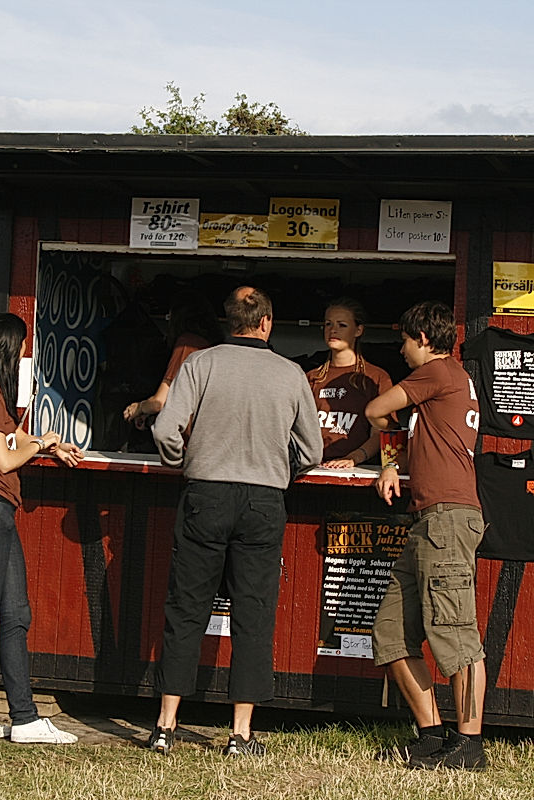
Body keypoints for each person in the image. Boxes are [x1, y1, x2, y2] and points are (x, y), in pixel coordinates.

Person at [147, 286, 323, 757]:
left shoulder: (201, 364)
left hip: (205, 493)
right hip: (263, 500)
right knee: (253, 614)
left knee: (186, 609)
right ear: (267, 324)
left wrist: (182, 460)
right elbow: (313, 450)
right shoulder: (290, 375)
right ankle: (240, 733)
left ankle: (165, 725)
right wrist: (281, 470)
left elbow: (164, 427)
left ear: (229, 323)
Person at [0, 312, 85, 744]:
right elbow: (5, 459)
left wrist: (47, 443)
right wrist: (39, 444)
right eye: (22, 345)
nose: (25, 352)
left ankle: (24, 719)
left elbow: (13, 441)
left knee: (15, 613)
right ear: (7, 346)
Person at [364, 301, 487, 770]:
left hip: (447, 520)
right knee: (392, 632)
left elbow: (376, 409)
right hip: (429, 520)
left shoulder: (436, 372)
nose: (401, 349)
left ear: (422, 338)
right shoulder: (451, 379)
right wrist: (393, 463)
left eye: (404, 340)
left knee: (456, 636)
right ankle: (432, 735)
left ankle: (469, 744)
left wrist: (387, 454)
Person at [306, 297, 394, 468]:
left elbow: (382, 432)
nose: (333, 330)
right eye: (328, 324)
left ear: (358, 330)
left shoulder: (376, 377)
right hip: (315, 469)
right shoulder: (311, 377)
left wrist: (354, 458)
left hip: (359, 471)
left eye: (342, 325)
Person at [122, 290, 224, 427]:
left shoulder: (187, 344)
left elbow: (158, 402)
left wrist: (139, 407)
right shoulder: (213, 346)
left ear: (179, 318)